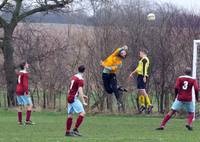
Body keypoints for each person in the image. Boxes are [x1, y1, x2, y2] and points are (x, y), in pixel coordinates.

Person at [65, 65, 88, 137]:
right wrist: (83, 101)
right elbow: (80, 90)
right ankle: (75, 129)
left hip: (69, 97)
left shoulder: (74, 77)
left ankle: (67, 132)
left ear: (78, 70)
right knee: (82, 113)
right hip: (73, 98)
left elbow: (72, 88)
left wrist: (83, 95)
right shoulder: (80, 79)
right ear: (84, 71)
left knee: (70, 115)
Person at [129, 49, 153, 113]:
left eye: (140, 53)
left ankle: (149, 104)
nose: (139, 54)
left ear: (143, 53)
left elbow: (145, 68)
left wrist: (144, 76)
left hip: (142, 76)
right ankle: (142, 105)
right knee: (140, 91)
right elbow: (138, 68)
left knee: (142, 90)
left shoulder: (145, 59)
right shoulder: (142, 60)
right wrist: (132, 73)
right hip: (140, 76)